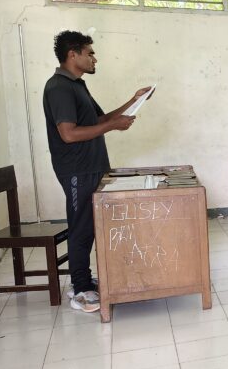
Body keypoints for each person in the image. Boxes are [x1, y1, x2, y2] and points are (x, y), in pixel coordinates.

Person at [43, 30, 149, 313]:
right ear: (73, 54)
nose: (94, 58)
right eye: (90, 53)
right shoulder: (59, 87)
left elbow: (99, 120)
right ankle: (80, 289)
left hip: (92, 166)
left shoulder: (77, 85)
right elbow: (68, 134)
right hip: (77, 169)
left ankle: (83, 279)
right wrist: (113, 126)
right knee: (81, 227)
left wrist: (133, 100)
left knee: (90, 225)